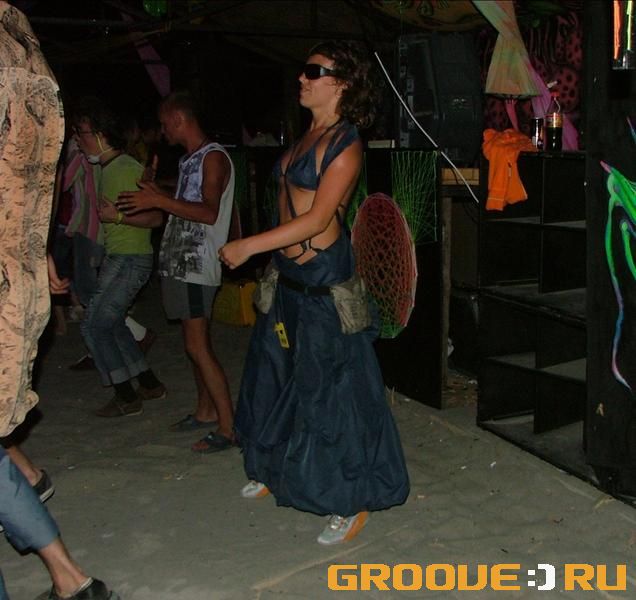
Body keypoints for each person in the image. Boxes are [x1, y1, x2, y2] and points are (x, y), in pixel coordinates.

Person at [218, 41, 410, 545]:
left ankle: (349, 499)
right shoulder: (308, 133)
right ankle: (272, 466)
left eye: (313, 71)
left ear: (342, 82)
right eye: (303, 70)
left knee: (332, 390)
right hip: (287, 277)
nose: (301, 79)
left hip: (323, 277)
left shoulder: (346, 143)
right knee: (275, 373)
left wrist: (249, 245)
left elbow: (319, 218)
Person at [0, 3, 118, 597]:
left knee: (103, 318)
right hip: (17, 277)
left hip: (19, 273)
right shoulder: (23, 45)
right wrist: (39, 249)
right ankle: (70, 579)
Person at [117, 91, 236, 452]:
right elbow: (188, 200)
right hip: (181, 262)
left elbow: (209, 212)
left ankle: (229, 428)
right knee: (193, 346)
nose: (162, 130)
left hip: (197, 262)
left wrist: (158, 198)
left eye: (164, 123)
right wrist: (158, 190)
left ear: (179, 119)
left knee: (198, 346)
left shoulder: (213, 157)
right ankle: (205, 410)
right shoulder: (190, 160)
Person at [72, 97, 165, 417]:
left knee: (93, 327)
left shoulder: (125, 169)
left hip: (130, 259)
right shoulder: (109, 168)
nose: (78, 140)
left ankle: (126, 396)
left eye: (82, 133)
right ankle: (149, 384)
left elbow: (156, 217)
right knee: (110, 324)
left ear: (100, 135)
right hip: (121, 257)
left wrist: (119, 218)